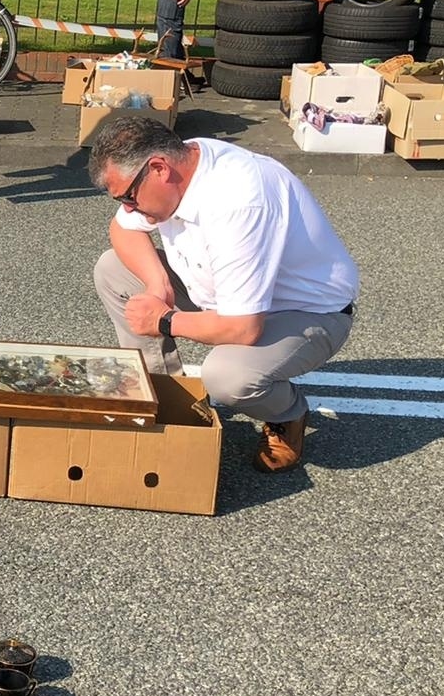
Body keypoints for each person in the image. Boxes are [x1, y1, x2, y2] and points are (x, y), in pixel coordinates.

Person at [88, 116, 359, 472]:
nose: (127, 207)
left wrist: (165, 320)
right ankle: (165, 398)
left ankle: (288, 413)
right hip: (224, 297)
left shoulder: (239, 201)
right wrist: (158, 286)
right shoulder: (184, 161)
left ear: (158, 168)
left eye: (127, 197)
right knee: (113, 269)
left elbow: (243, 328)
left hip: (304, 313)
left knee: (228, 377)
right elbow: (121, 230)